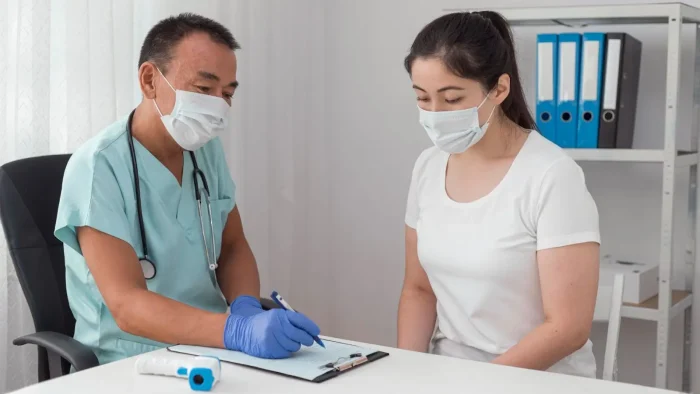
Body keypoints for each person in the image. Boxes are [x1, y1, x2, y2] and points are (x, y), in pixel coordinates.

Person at [54, 13, 321, 364]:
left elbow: (232, 245)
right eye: (204, 88)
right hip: (130, 359)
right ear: (150, 81)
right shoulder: (97, 168)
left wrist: (245, 307)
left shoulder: (205, 151)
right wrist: (234, 332)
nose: (219, 106)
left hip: (213, 347)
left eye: (227, 93)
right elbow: (127, 306)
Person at [397, 11, 600, 378]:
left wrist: (480, 382)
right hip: (449, 374)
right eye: (422, 98)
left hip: (536, 379)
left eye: (452, 98)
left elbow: (567, 328)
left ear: (499, 89)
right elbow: (418, 290)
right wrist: (406, 373)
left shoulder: (552, 176)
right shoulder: (427, 167)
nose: (435, 114)